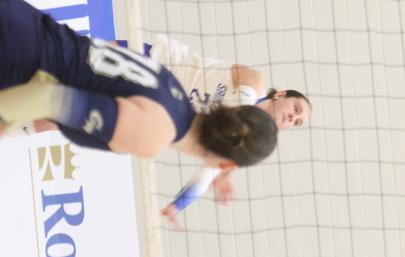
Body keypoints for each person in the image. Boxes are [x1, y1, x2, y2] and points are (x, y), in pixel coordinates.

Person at [0, 0, 277, 210]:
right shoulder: (155, 134)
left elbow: (69, 75)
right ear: (225, 163)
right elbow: (52, 98)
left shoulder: (171, 86)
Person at [114, 36, 312, 230]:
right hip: (158, 61)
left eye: (297, 122)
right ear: (280, 94)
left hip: (148, 99)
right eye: (296, 109)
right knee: (85, 56)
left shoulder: (242, 138)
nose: (292, 118)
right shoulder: (256, 83)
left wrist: (177, 206)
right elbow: (244, 100)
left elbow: (206, 174)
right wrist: (229, 158)